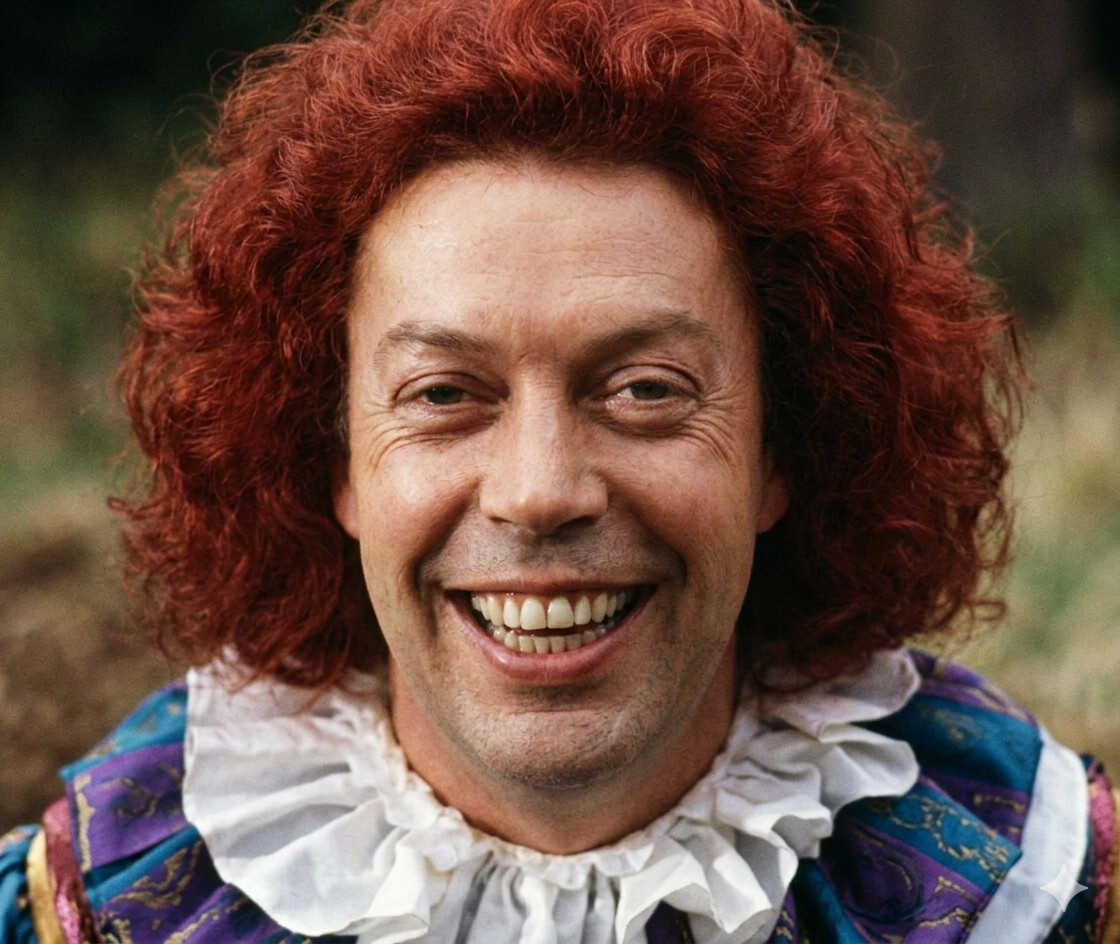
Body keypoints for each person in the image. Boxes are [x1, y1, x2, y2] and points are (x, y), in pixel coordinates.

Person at [2, 0, 1116, 941]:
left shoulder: (1036, 890)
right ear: (333, 460)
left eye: (644, 390)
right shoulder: (99, 903)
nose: (538, 491)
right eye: (445, 394)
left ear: (782, 450)